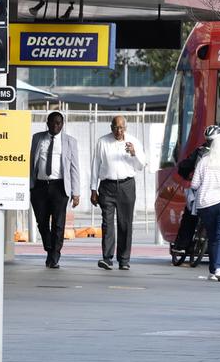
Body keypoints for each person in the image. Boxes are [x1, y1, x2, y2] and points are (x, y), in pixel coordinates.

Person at [90, 115, 147, 270]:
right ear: (111, 127)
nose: (118, 131)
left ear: (125, 128)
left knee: (125, 223)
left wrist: (134, 153)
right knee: (107, 223)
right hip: (107, 187)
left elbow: (142, 165)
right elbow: (95, 166)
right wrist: (93, 189)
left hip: (126, 186)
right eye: (115, 127)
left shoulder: (133, 141)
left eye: (121, 127)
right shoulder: (103, 142)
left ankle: (124, 260)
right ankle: (107, 258)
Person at [29, 112, 81, 269]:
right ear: (47, 123)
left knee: (58, 223)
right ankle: (49, 246)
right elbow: (31, 163)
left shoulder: (70, 142)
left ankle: (54, 255)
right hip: (39, 186)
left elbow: (74, 168)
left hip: (59, 187)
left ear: (62, 124)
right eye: (52, 123)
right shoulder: (38, 138)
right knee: (42, 221)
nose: (55, 126)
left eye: (58, 123)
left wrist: (76, 192)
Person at [190, 125, 220, 282]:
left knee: (212, 237)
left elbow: (194, 184)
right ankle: (218, 269)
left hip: (207, 204)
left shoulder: (204, 161)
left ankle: (213, 270)